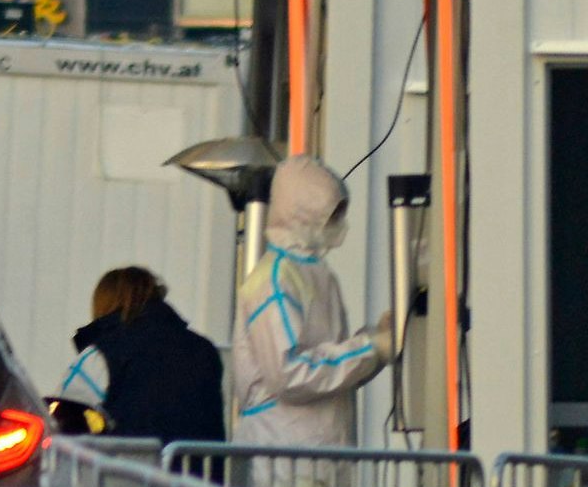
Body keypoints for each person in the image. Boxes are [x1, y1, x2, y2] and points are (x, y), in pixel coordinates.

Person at [232, 154, 397, 445]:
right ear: (304, 215)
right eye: (332, 214)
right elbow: (290, 374)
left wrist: (374, 344)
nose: (338, 223)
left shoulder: (314, 274)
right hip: (283, 451)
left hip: (318, 448)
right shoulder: (274, 280)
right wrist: (370, 349)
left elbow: (331, 369)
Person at [66, 266, 226, 447]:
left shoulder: (102, 353)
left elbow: (63, 416)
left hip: (130, 472)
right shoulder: (204, 350)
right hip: (196, 473)